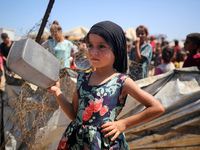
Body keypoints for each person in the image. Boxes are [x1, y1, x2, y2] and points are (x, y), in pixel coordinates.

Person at [48, 21, 164, 149]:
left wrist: (124, 124)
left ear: (116, 50)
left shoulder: (121, 81)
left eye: (102, 46)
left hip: (103, 144)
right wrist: (57, 92)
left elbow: (157, 107)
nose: (94, 51)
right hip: (76, 141)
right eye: (90, 45)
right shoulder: (82, 78)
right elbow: (74, 115)